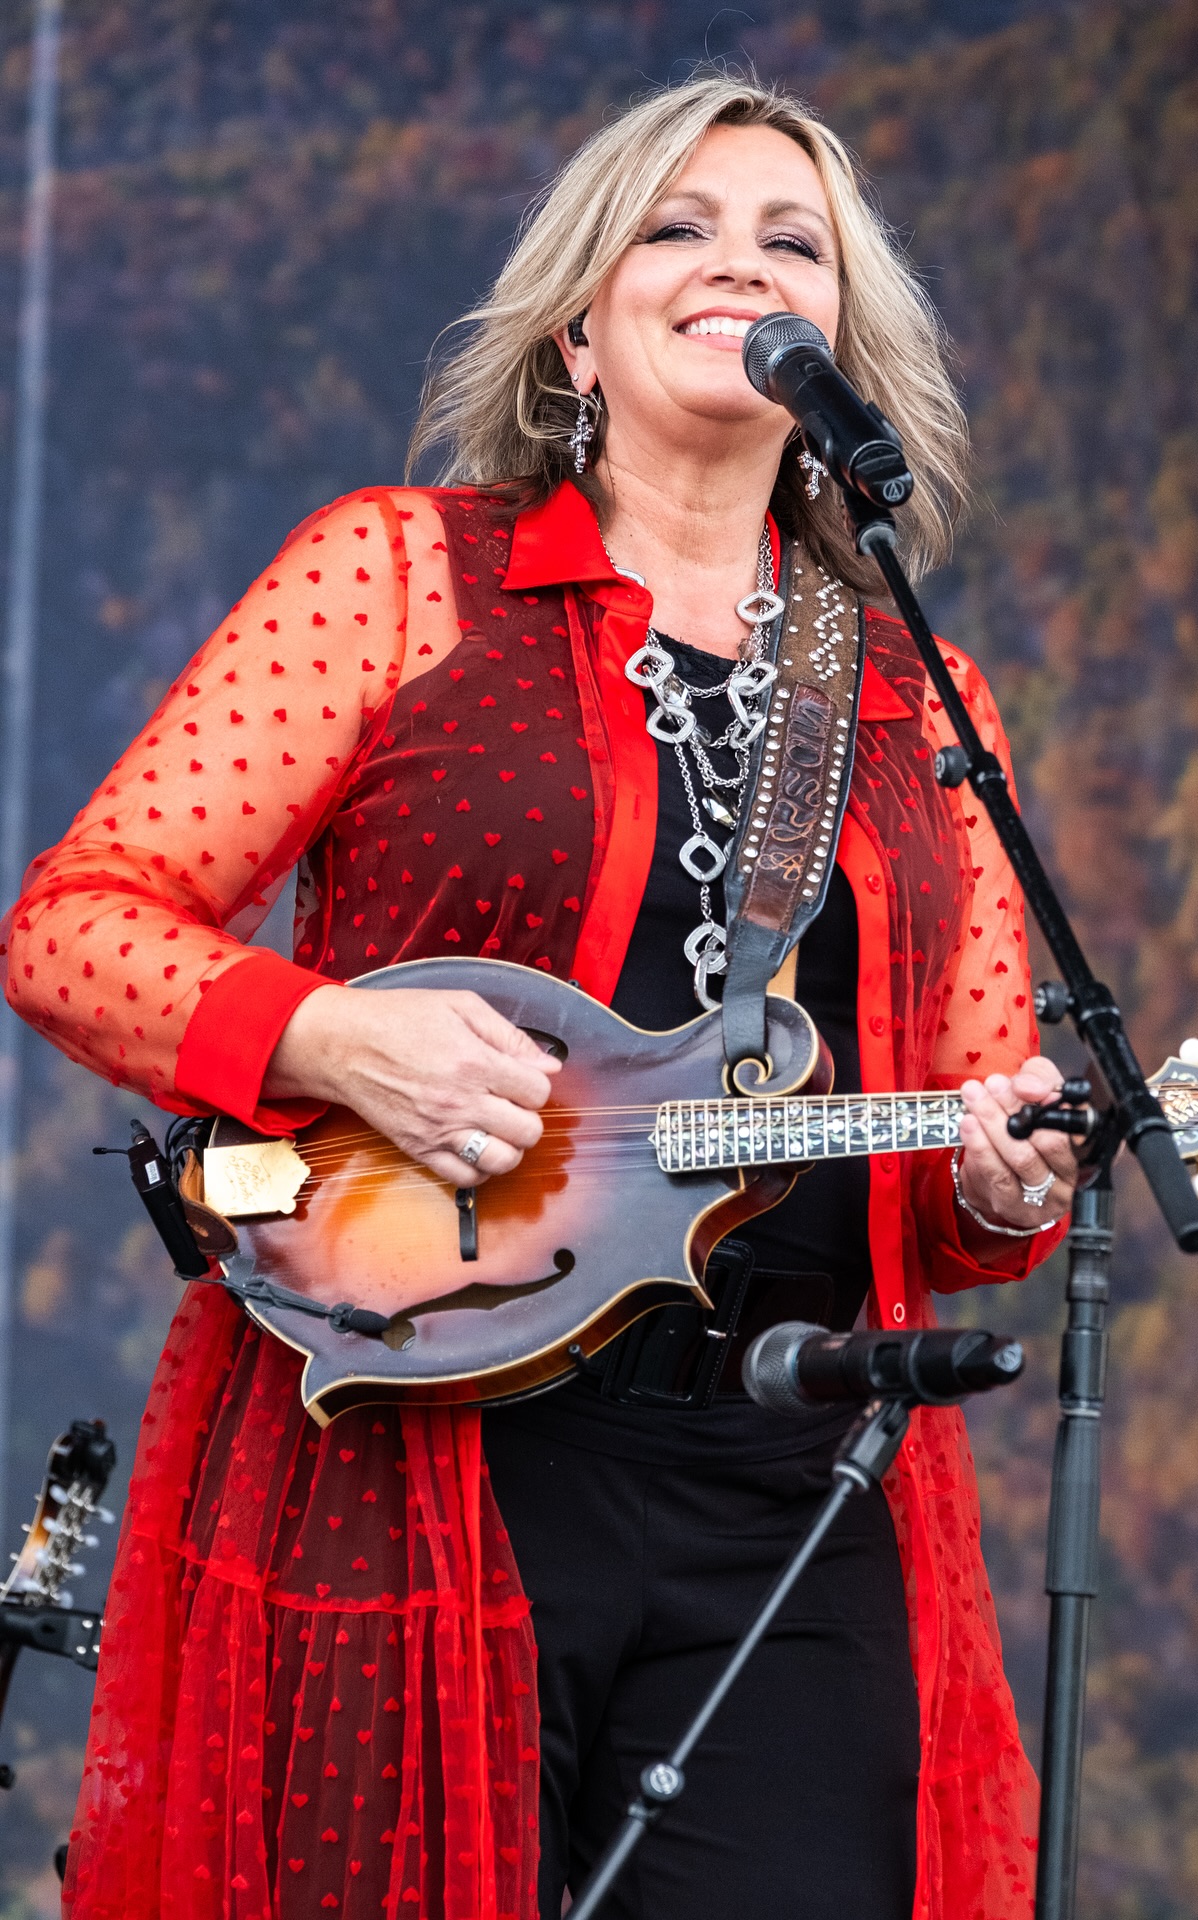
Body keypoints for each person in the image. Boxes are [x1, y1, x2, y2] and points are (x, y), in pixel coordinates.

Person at [6, 76, 1079, 1920]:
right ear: (581, 322)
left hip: (791, 1467)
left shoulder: (922, 689)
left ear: (845, 339)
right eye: (679, 226)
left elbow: (969, 1125)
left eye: (790, 241)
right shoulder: (401, 574)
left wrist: (1004, 1183)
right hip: (425, 1438)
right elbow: (78, 923)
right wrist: (340, 1039)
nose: (736, 263)